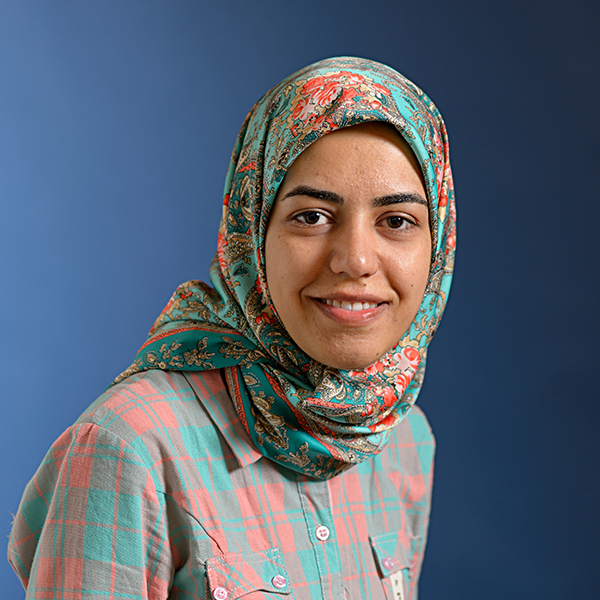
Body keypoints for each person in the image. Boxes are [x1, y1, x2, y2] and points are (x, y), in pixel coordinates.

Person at [8, 57, 455, 600]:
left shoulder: (402, 439)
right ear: (251, 228)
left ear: (438, 245)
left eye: (397, 221)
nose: (356, 260)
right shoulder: (130, 447)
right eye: (312, 216)